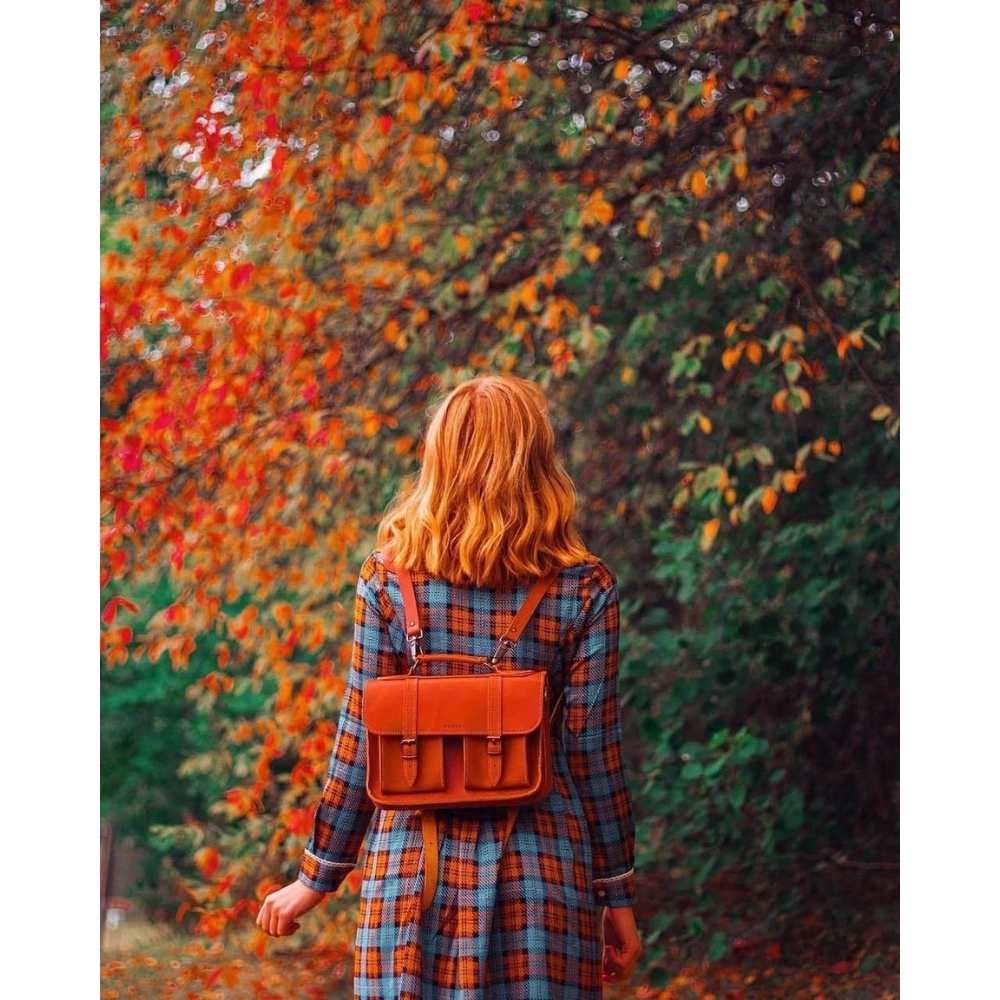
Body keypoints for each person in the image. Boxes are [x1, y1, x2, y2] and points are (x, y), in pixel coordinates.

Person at [257, 374, 642, 997]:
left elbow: (358, 741)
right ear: (537, 462)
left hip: (411, 876)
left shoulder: (386, 581)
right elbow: (593, 757)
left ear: (439, 459)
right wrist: (616, 893)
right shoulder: (584, 588)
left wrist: (317, 876)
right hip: (540, 879)